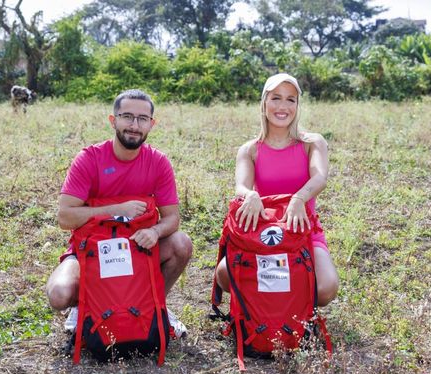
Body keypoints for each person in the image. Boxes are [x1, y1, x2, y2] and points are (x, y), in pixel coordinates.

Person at [46, 89, 192, 337]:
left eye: (142, 119)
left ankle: (156, 306)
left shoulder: (158, 162)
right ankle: (85, 306)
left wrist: (155, 231)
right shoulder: (89, 159)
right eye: (127, 116)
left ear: (151, 124)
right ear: (113, 120)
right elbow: (65, 217)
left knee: (181, 244)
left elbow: (172, 218)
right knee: (59, 294)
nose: (134, 125)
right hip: (93, 251)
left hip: (139, 251)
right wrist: (114, 210)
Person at [215, 73, 339, 306]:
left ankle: (288, 306)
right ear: (264, 103)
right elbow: (240, 186)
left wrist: (299, 198)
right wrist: (250, 194)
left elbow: (320, 177)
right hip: (264, 231)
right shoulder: (250, 149)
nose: (283, 106)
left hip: (302, 229)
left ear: (297, 105)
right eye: (276, 98)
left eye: (290, 100)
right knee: (224, 273)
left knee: (325, 288)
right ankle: (265, 309)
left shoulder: (312, 143)